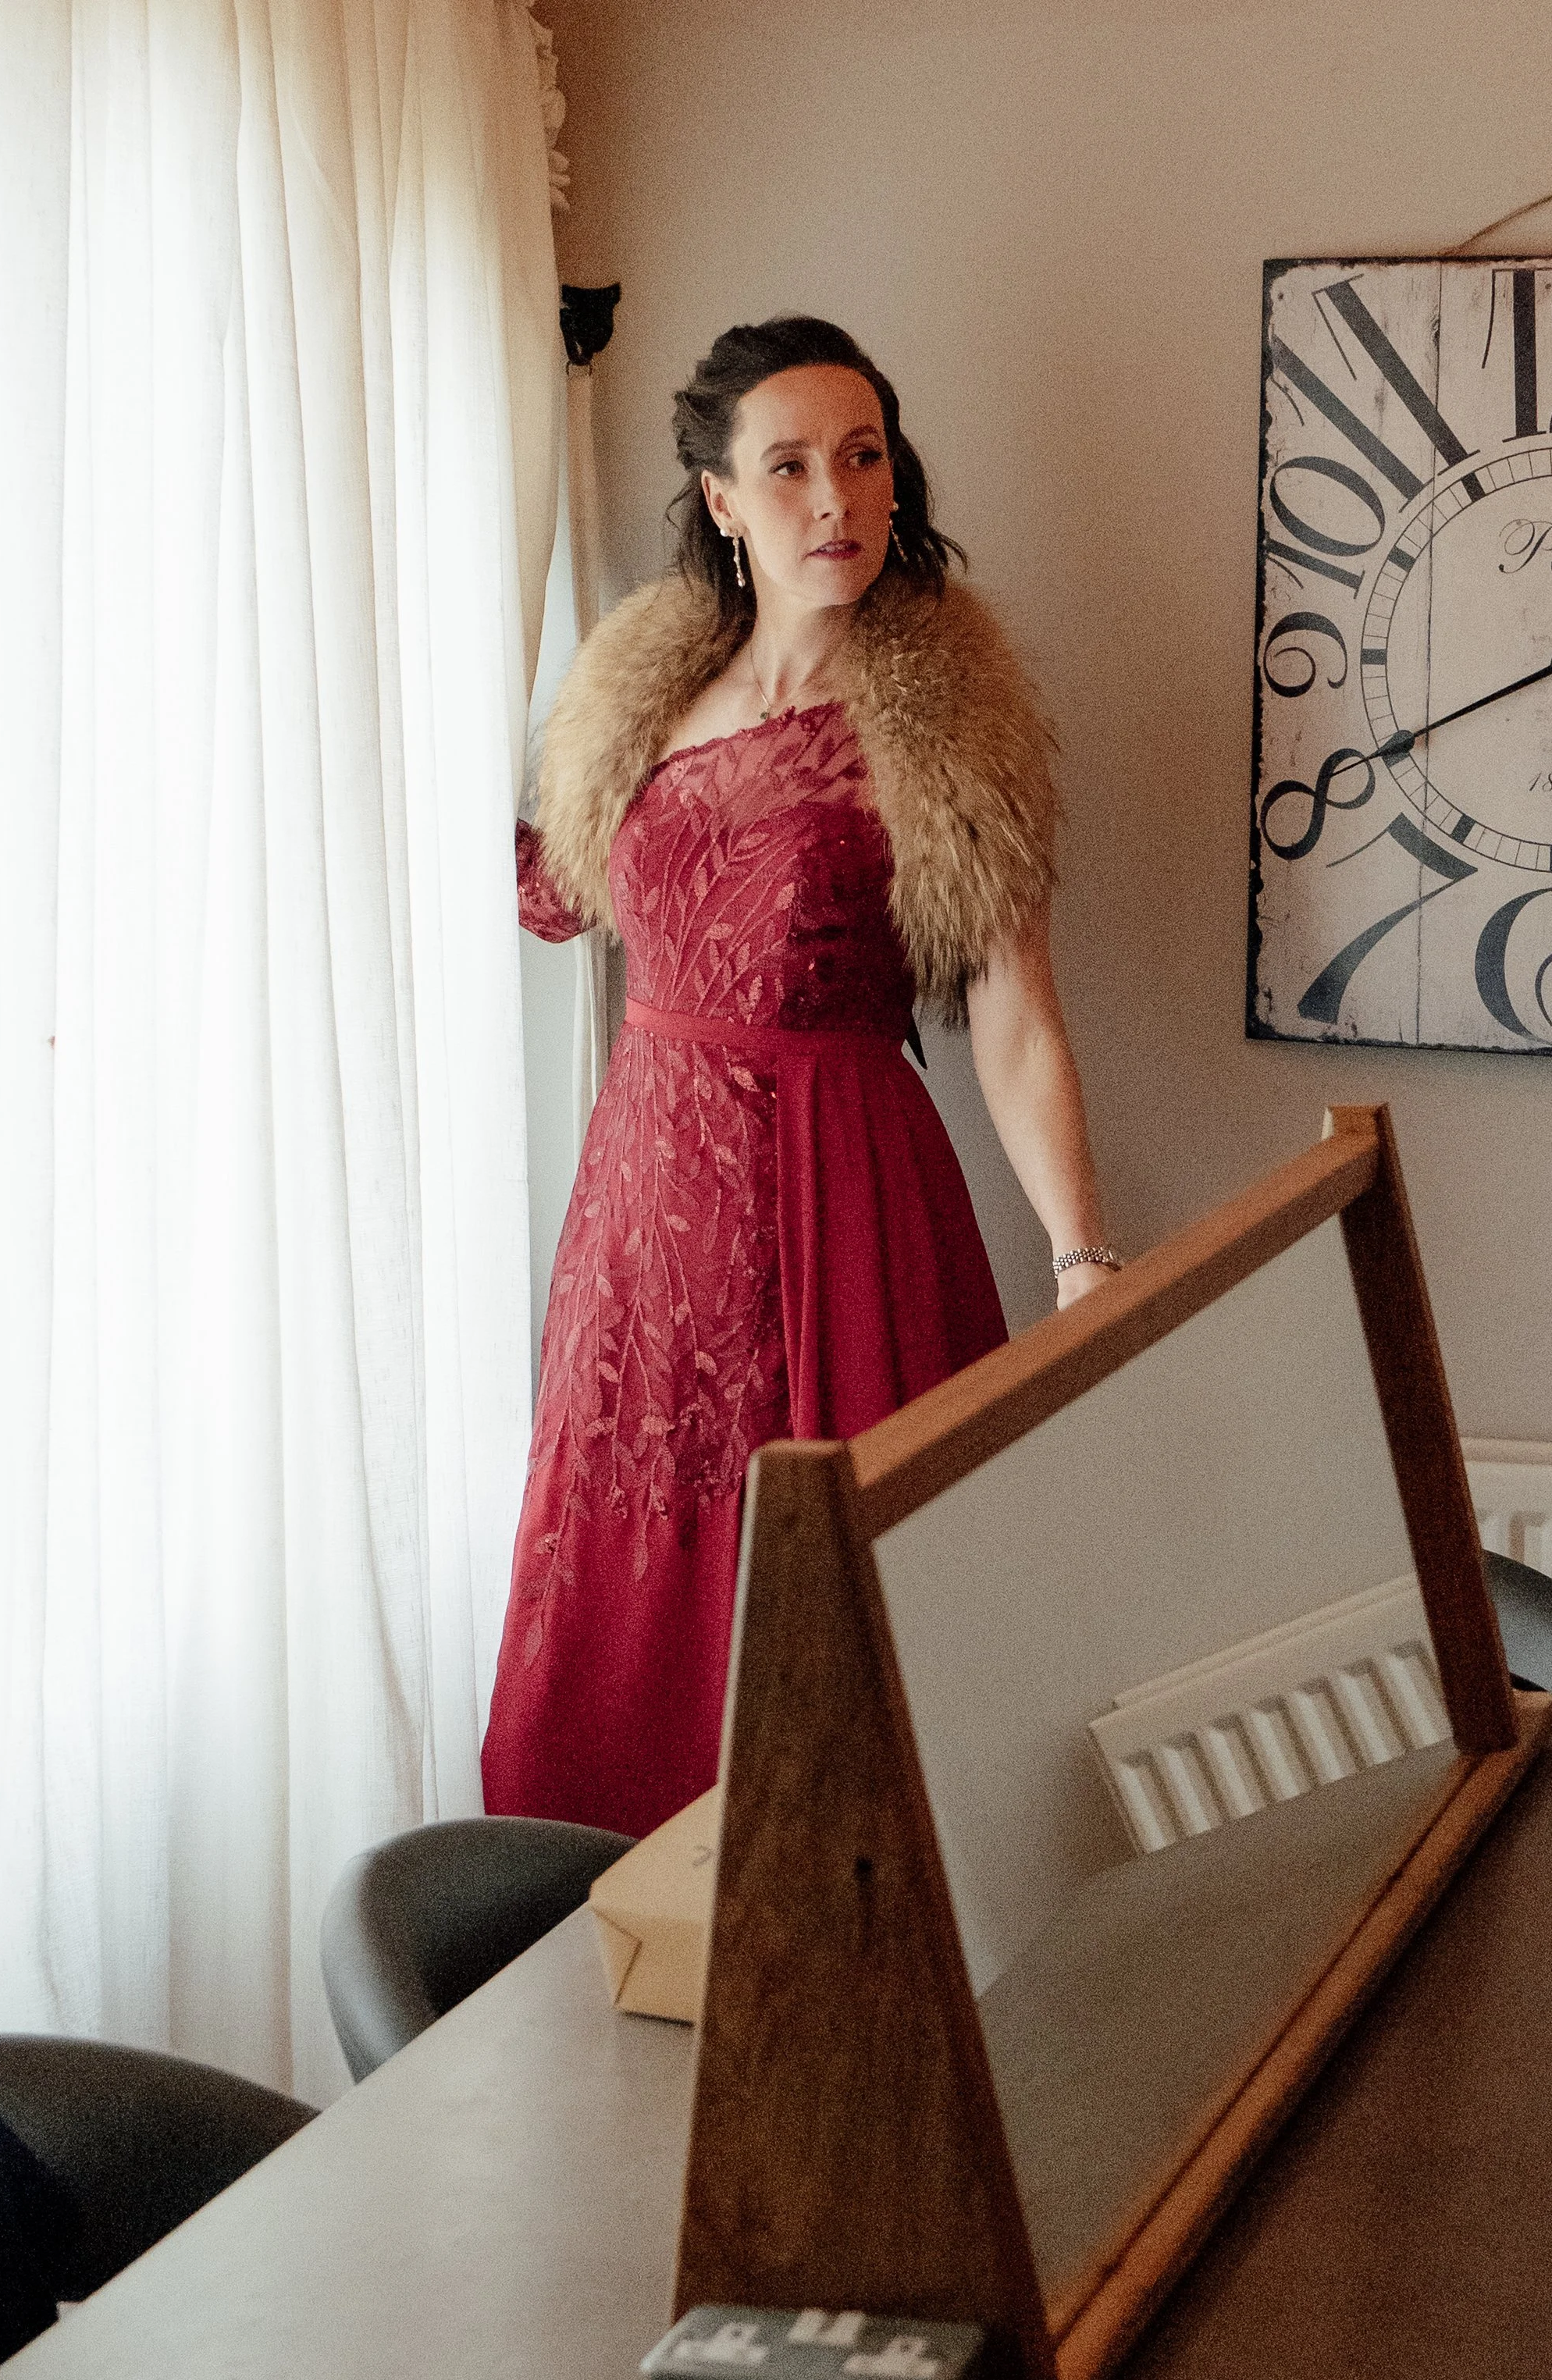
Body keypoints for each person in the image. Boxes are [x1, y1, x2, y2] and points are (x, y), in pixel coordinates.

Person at [484, 315, 1117, 1837]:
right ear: (719, 500)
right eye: (789, 466)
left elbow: (1015, 1012)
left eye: (861, 455)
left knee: (858, 1632)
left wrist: (1082, 1259)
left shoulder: (945, 713)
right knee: (633, 1600)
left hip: (841, 1188)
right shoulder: (639, 698)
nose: (835, 496)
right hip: (643, 1207)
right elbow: (555, 890)